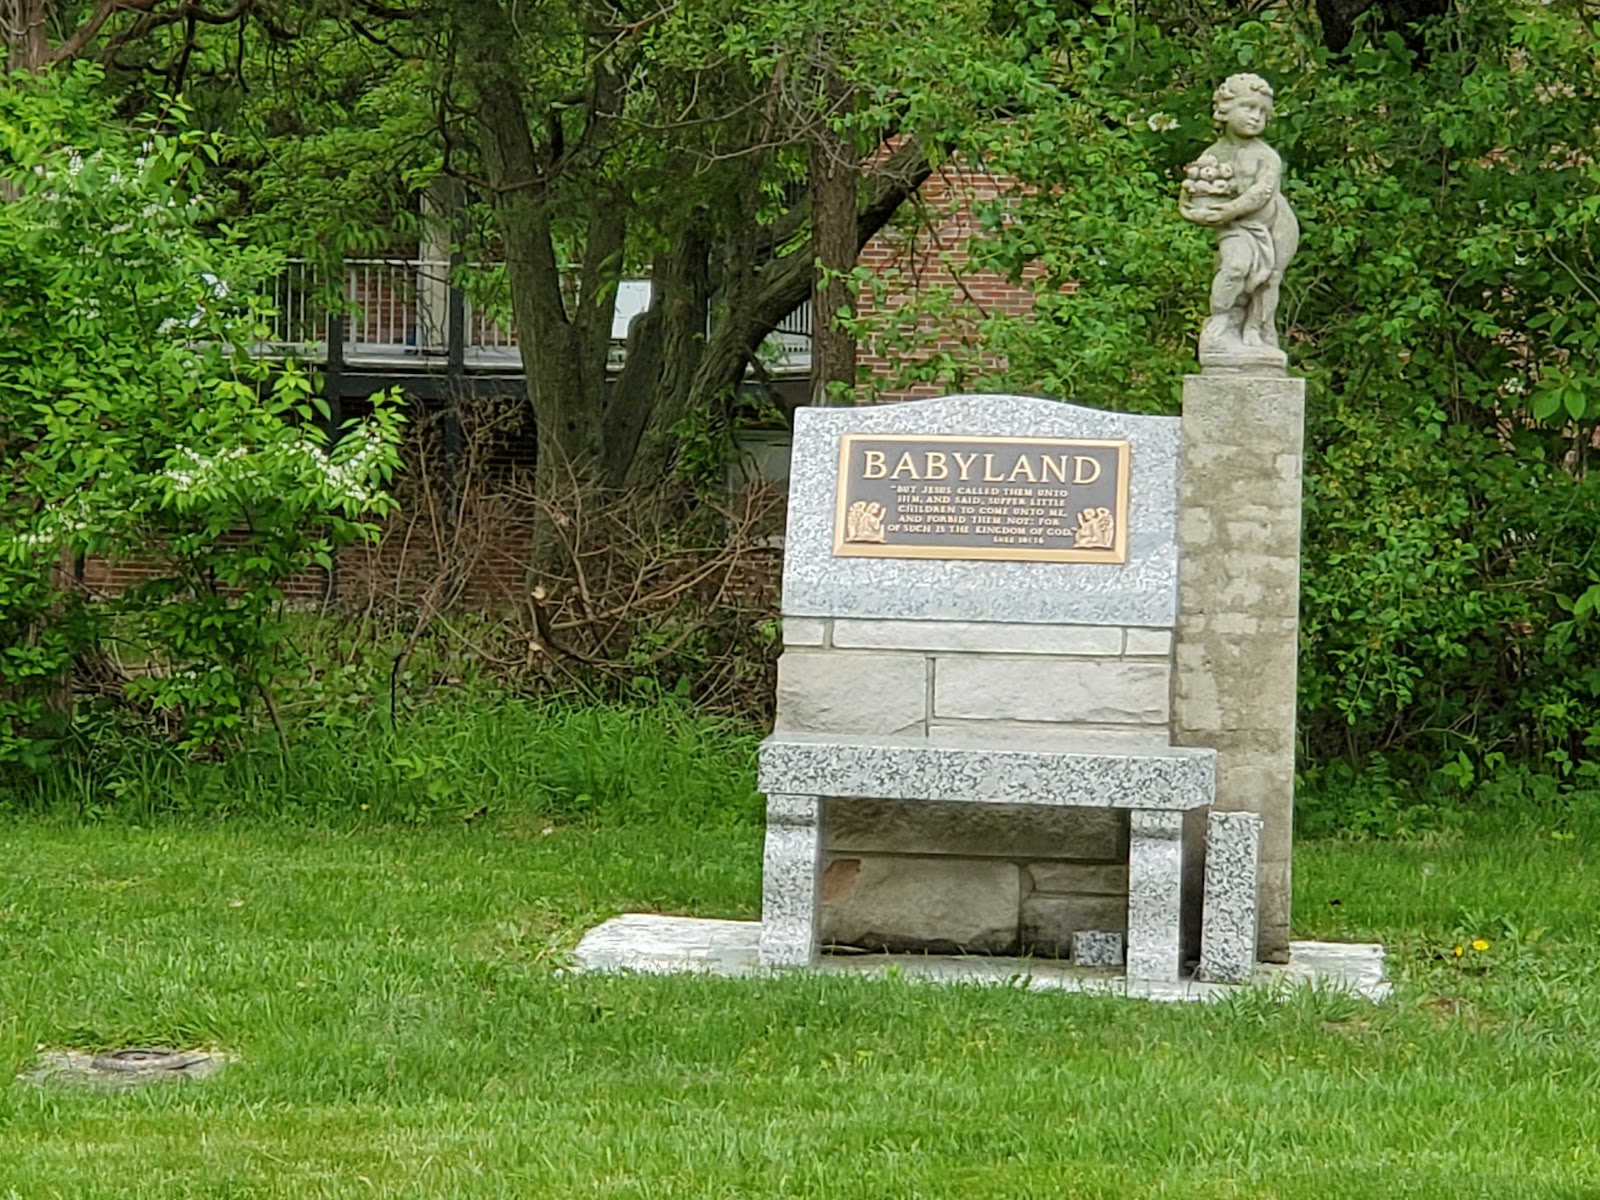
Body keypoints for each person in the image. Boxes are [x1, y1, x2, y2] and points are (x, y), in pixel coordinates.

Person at [1178, 73, 1299, 358]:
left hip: (1276, 226)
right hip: (1237, 227)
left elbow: (1262, 193)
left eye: (1262, 112)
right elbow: (1196, 187)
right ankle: (1220, 321)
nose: (1256, 117)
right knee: (1235, 267)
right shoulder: (1213, 153)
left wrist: (1229, 209)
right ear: (1225, 108)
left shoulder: (1266, 155)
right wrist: (1187, 207)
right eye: (1248, 107)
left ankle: (1257, 329)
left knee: (1269, 279)